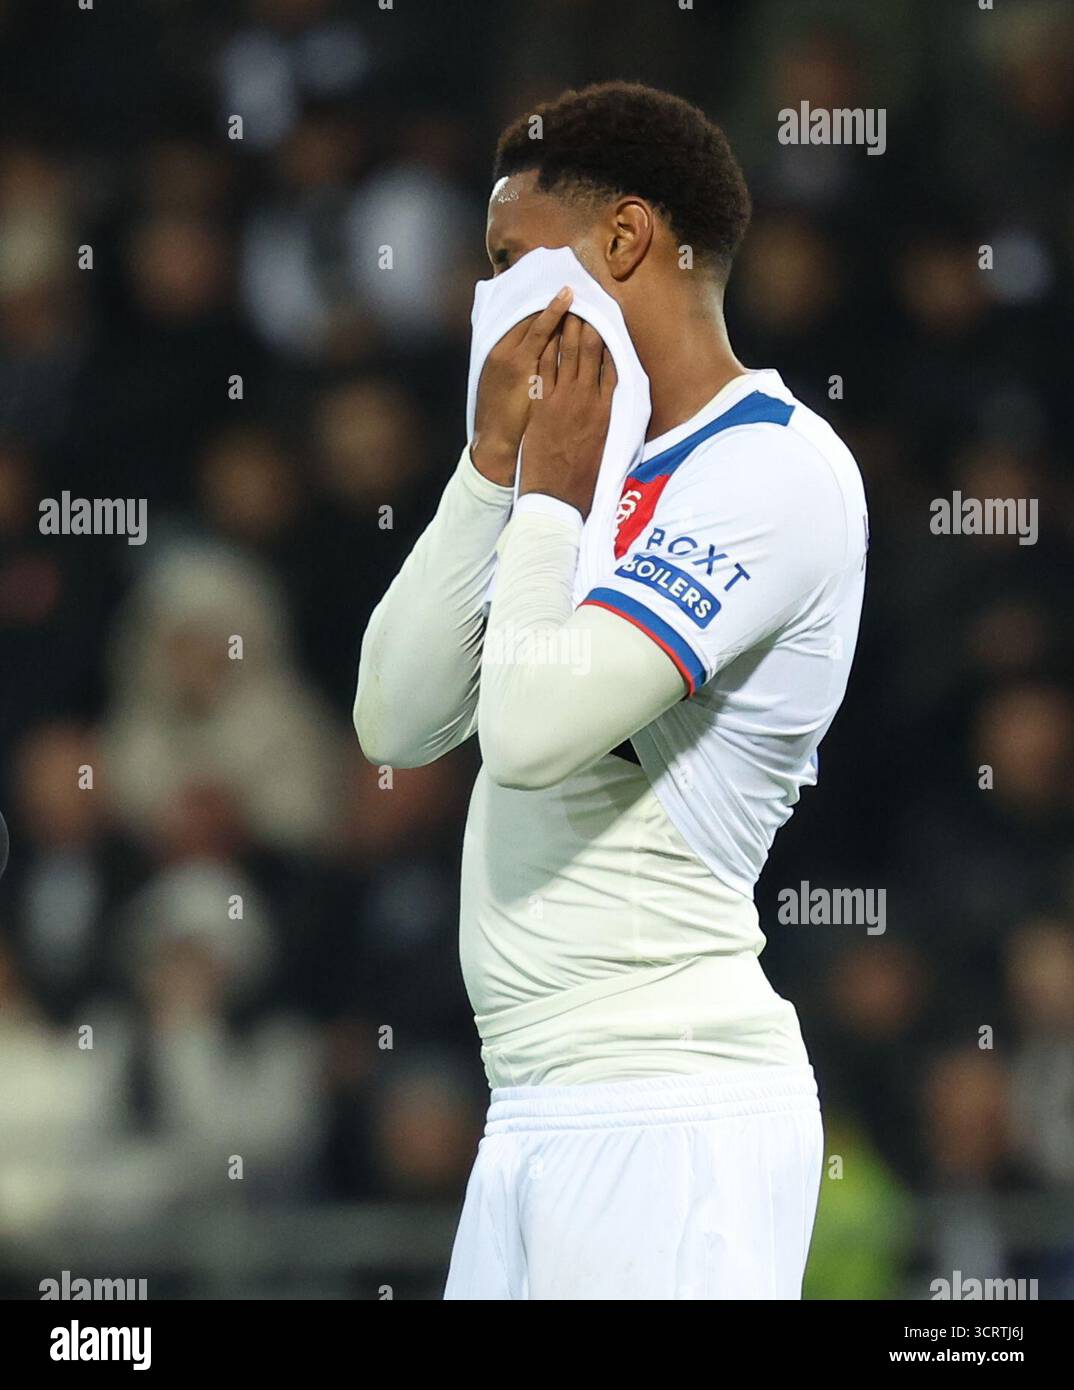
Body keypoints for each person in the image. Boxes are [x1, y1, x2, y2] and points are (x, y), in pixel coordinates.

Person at [354, 81, 869, 1300]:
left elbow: (526, 735)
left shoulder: (773, 471)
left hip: (668, 1106)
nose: (485, 304)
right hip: (535, 1099)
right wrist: (491, 472)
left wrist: (545, 499)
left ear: (626, 240)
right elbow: (395, 717)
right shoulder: (572, 466)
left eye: (506, 261)